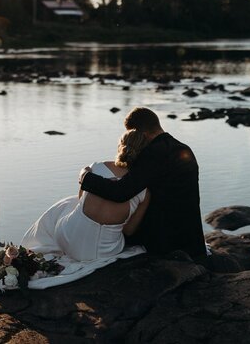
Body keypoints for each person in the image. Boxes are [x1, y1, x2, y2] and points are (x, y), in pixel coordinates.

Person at [79, 107, 207, 262]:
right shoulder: (183, 148)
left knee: (114, 234)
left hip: (165, 241)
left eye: (133, 134)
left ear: (141, 133)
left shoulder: (153, 153)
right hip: (191, 238)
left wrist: (86, 177)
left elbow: (120, 192)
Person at [21, 129, 151, 262]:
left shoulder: (96, 167)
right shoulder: (144, 192)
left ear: (120, 147)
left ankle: (34, 243)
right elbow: (128, 231)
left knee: (68, 203)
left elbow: (80, 198)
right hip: (106, 252)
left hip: (68, 240)